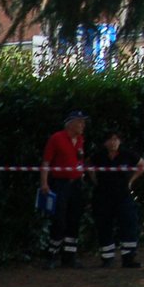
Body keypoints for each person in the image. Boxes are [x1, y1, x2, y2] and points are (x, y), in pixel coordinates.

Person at [88, 130, 144, 268]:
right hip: (103, 195)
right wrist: (95, 180)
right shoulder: (99, 155)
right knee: (104, 225)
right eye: (110, 139)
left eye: (116, 139)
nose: (113, 142)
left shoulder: (127, 154)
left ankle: (128, 258)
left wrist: (131, 181)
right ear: (105, 142)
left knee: (128, 223)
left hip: (123, 195)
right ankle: (107, 258)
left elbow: (142, 164)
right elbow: (88, 165)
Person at [39, 109, 88, 268]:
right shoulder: (56, 138)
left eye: (83, 122)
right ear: (70, 123)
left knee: (74, 219)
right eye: (80, 122)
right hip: (60, 184)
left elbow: (80, 160)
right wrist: (44, 183)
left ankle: (69, 256)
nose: (83, 125)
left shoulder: (80, 140)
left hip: (76, 184)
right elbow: (46, 162)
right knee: (59, 219)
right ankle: (51, 255)